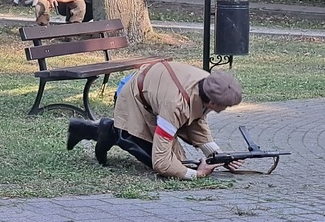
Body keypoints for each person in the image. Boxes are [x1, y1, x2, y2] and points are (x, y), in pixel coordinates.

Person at [66, 65, 244, 180]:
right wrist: (196, 174)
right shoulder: (174, 104)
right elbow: (161, 162)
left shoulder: (205, 84)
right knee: (165, 162)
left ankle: (108, 129)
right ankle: (111, 131)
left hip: (151, 90)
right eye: (225, 105)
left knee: (179, 162)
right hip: (133, 96)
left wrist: (217, 155)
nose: (226, 109)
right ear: (213, 102)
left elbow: (196, 118)